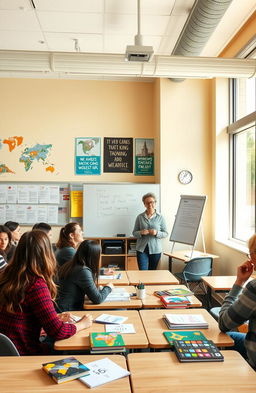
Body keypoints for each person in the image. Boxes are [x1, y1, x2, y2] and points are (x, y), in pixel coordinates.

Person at [0, 230, 92, 355]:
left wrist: (53, 318)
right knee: (79, 349)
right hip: (26, 352)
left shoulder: (6, 276)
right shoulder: (35, 284)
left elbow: (21, 316)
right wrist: (82, 324)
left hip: (7, 350)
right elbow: (58, 332)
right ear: (46, 254)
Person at [219, 233, 256, 369]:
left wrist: (239, 282)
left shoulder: (254, 288)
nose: (250, 258)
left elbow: (224, 323)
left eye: (250, 254)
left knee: (225, 337)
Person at [56, 240, 114, 311]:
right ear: (94, 256)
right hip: (68, 311)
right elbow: (98, 299)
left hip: (62, 308)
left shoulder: (71, 264)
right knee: (119, 309)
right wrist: (108, 287)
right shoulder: (82, 271)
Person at [132, 193, 168, 270]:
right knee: (142, 271)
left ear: (155, 203)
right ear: (144, 204)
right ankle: (143, 283)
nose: (150, 204)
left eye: (152, 202)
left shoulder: (160, 217)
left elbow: (165, 233)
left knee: (152, 272)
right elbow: (134, 233)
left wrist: (156, 233)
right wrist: (141, 232)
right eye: (147, 203)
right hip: (141, 249)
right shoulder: (140, 217)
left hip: (155, 249)